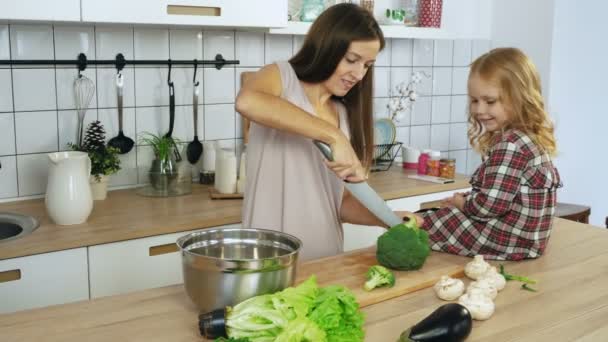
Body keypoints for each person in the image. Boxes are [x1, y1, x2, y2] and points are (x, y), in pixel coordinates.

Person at [236, 3, 418, 261]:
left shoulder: (344, 115)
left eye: (367, 65)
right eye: (352, 60)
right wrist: (333, 136)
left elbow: (340, 203)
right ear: (327, 46)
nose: (358, 74)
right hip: (266, 259)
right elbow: (247, 101)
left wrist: (388, 219)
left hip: (325, 259)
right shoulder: (281, 78)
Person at [420, 47, 562, 261]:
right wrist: (464, 199)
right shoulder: (527, 139)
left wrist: (462, 204)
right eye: (475, 100)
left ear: (519, 98)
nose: (478, 110)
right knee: (439, 216)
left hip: (506, 240)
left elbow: (487, 207)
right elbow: (502, 194)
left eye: (490, 101)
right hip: (528, 241)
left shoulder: (510, 145)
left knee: (427, 223)